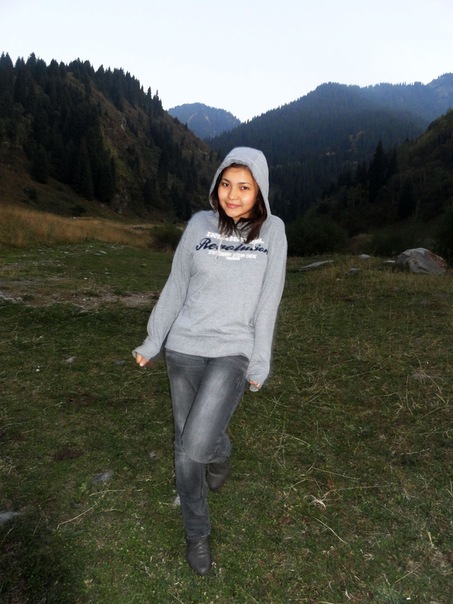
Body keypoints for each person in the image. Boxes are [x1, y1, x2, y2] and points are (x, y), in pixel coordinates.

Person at [133, 147, 287, 576]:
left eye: (244, 187)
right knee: (185, 452)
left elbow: (269, 301)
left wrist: (260, 361)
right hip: (184, 347)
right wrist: (154, 339)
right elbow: (177, 284)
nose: (232, 195)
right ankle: (196, 532)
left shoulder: (272, 231)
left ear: (259, 190)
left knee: (198, 444)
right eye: (226, 184)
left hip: (232, 349)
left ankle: (220, 451)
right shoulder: (199, 224)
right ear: (216, 184)